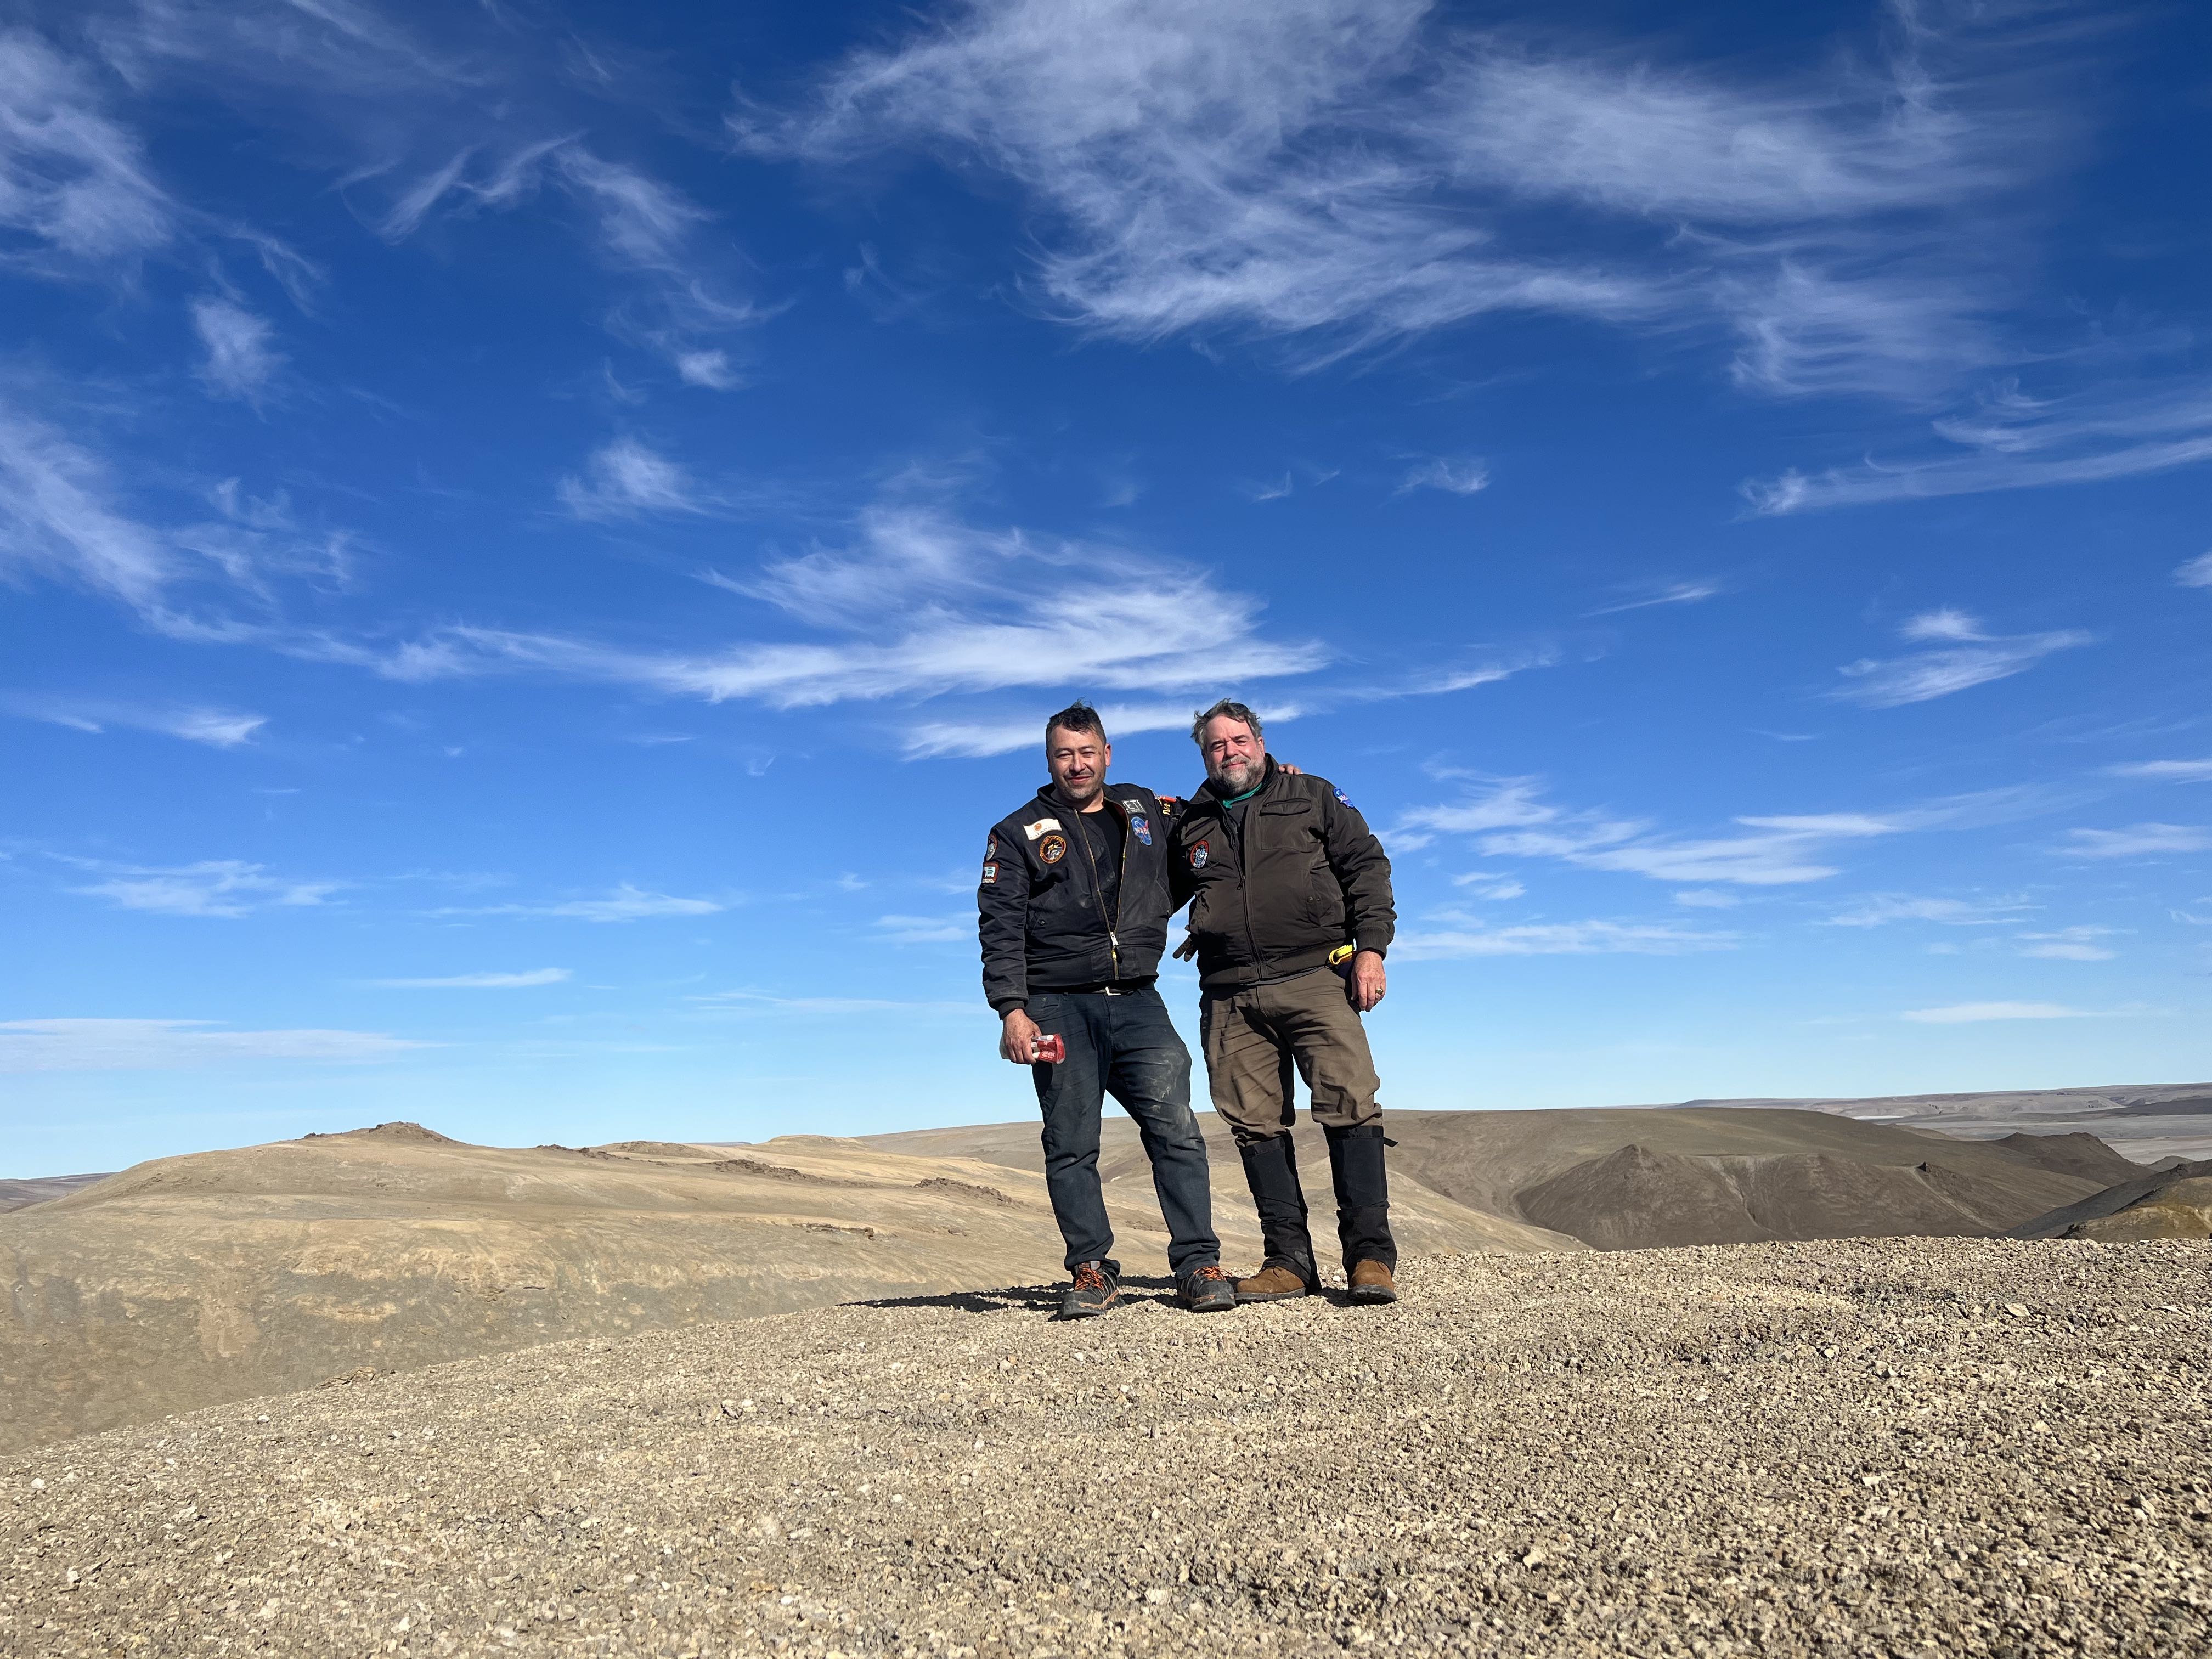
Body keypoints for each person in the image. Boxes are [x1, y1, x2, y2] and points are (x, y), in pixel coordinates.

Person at [977, 702, 1236, 1319]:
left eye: (1087, 752)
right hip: (1056, 1005)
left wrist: (1269, 776)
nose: (1077, 765)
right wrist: (1012, 1010)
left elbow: (1211, 812)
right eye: (1064, 754)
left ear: (1107, 754)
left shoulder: (1142, 808)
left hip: (1139, 1000)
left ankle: (1198, 1264)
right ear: (1049, 761)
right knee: (1070, 1144)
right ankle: (1092, 1269)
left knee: (1176, 1130)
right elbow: (1000, 926)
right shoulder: (1016, 834)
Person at [1170, 698, 1401, 1305]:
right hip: (1229, 991)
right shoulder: (1190, 820)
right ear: (1204, 754)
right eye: (1217, 745)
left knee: (1350, 1104)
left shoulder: (1314, 795)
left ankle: (1370, 1256)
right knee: (1254, 1123)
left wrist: (1371, 949)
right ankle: (1289, 1262)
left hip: (1315, 976)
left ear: (1261, 741)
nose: (1231, 752)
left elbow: (1367, 867)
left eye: (1240, 740)